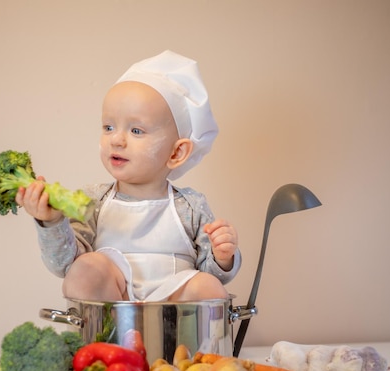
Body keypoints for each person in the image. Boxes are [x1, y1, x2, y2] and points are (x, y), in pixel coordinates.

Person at [16, 50, 241, 302]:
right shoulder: (94, 201)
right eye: (108, 127)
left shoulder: (190, 206)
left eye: (136, 130)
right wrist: (53, 222)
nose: (117, 139)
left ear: (177, 152)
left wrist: (223, 257)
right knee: (83, 270)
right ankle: (111, 339)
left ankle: (184, 341)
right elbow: (63, 265)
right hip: (114, 307)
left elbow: (212, 273)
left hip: (173, 310)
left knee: (209, 287)